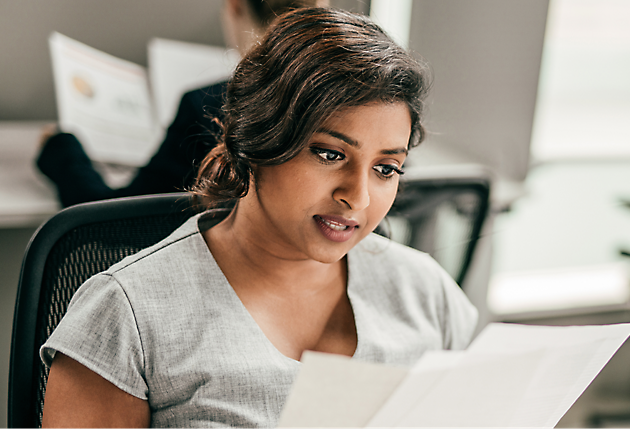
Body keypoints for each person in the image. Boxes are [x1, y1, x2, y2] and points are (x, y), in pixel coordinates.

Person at [39, 8, 478, 428]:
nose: (358, 197)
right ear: (255, 142)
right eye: (329, 154)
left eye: (386, 168)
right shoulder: (127, 315)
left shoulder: (425, 292)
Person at [36, 0, 321, 208]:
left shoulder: (208, 105)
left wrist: (61, 150)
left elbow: (114, 217)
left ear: (234, 6)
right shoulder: (342, 101)